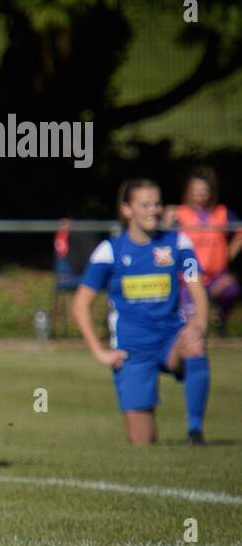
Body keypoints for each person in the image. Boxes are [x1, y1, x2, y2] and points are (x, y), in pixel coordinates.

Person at [73, 179, 210, 445]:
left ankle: (195, 431)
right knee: (142, 442)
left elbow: (195, 283)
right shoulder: (110, 251)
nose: (153, 210)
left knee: (194, 342)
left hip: (171, 339)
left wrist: (200, 323)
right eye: (144, 204)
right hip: (132, 349)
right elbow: (80, 305)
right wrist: (100, 352)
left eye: (157, 203)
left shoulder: (179, 243)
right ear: (127, 210)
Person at [164, 166, 241, 333]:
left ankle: (219, 320)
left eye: (203, 190)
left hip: (215, 275)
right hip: (189, 273)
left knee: (231, 288)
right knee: (191, 321)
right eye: (195, 190)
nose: (199, 195)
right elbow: (163, 238)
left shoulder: (221, 212)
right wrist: (166, 221)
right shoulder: (179, 213)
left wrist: (228, 254)